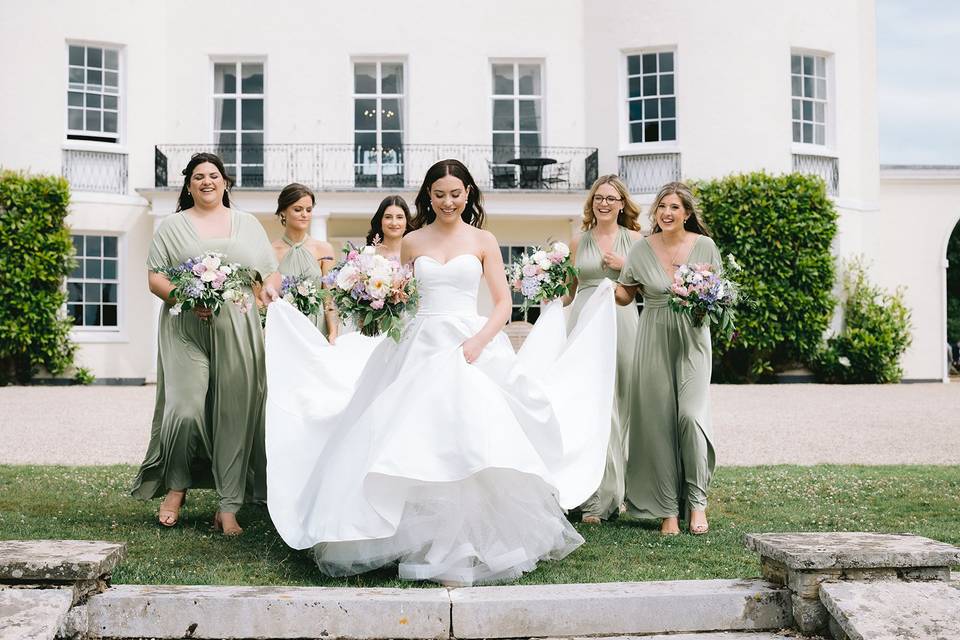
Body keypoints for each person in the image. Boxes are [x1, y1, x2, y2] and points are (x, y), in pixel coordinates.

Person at [264, 159, 617, 585]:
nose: (447, 201)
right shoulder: (412, 241)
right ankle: (407, 535)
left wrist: (480, 341)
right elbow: (404, 295)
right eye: (439, 194)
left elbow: (502, 303)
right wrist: (381, 304)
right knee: (410, 435)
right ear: (428, 196)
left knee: (471, 433)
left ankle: (467, 540)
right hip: (419, 341)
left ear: (468, 193)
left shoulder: (484, 239)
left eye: (455, 193)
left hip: (471, 340)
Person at [131, 152, 280, 536]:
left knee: (235, 414)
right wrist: (186, 298)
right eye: (198, 177)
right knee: (184, 409)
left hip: (239, 328)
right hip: (185, 328)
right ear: (189, 185)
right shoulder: (172, 226)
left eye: (213, 175)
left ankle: (228, 506)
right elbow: (155, 279)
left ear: (226, 182)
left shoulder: (247, 225)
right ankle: (176, 486)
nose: (207, 182)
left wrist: (269, 295)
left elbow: (270, 274)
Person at [614, 181, 719, 536]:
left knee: (690, 416)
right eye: (661, 206)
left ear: (686, 213)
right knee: (657, 424)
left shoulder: (704, 246)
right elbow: (626, 295)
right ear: (655, 212)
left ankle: (697, 501)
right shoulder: (642, 250)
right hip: (653, 336)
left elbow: (720, 294)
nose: (667, 213)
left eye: (674, 207)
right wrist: (595, 284)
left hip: (692, 338)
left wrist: (703, 299)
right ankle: (667, 510)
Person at [564, 175, 642, 523]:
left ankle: (616, 491)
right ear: (592, 202)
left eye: (612, 198)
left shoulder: (636, 241)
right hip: (582, 321)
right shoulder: (577, 241)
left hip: (619, 320)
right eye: (599, 197)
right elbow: (568, 290)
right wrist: (537, 285)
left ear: (622, 204)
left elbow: (644, 288)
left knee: (621, 405)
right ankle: (593, 497)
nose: (604, 203)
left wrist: (624, 269)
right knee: (588, 405)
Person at [272, 183, 338, 340]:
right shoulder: (271, 251)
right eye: (298, 209)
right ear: (283, 212)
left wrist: (333, 332)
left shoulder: (324, 249)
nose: (305, 214)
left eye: (309, 210)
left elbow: (329, 297)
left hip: (316, 329)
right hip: (285, 330)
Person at [365, 195, 410, 260]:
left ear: (407, 222)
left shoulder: (415, 256)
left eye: (399, 217)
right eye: (388, 217)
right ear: (380, 221)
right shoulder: (366, 254)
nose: (394, 223)